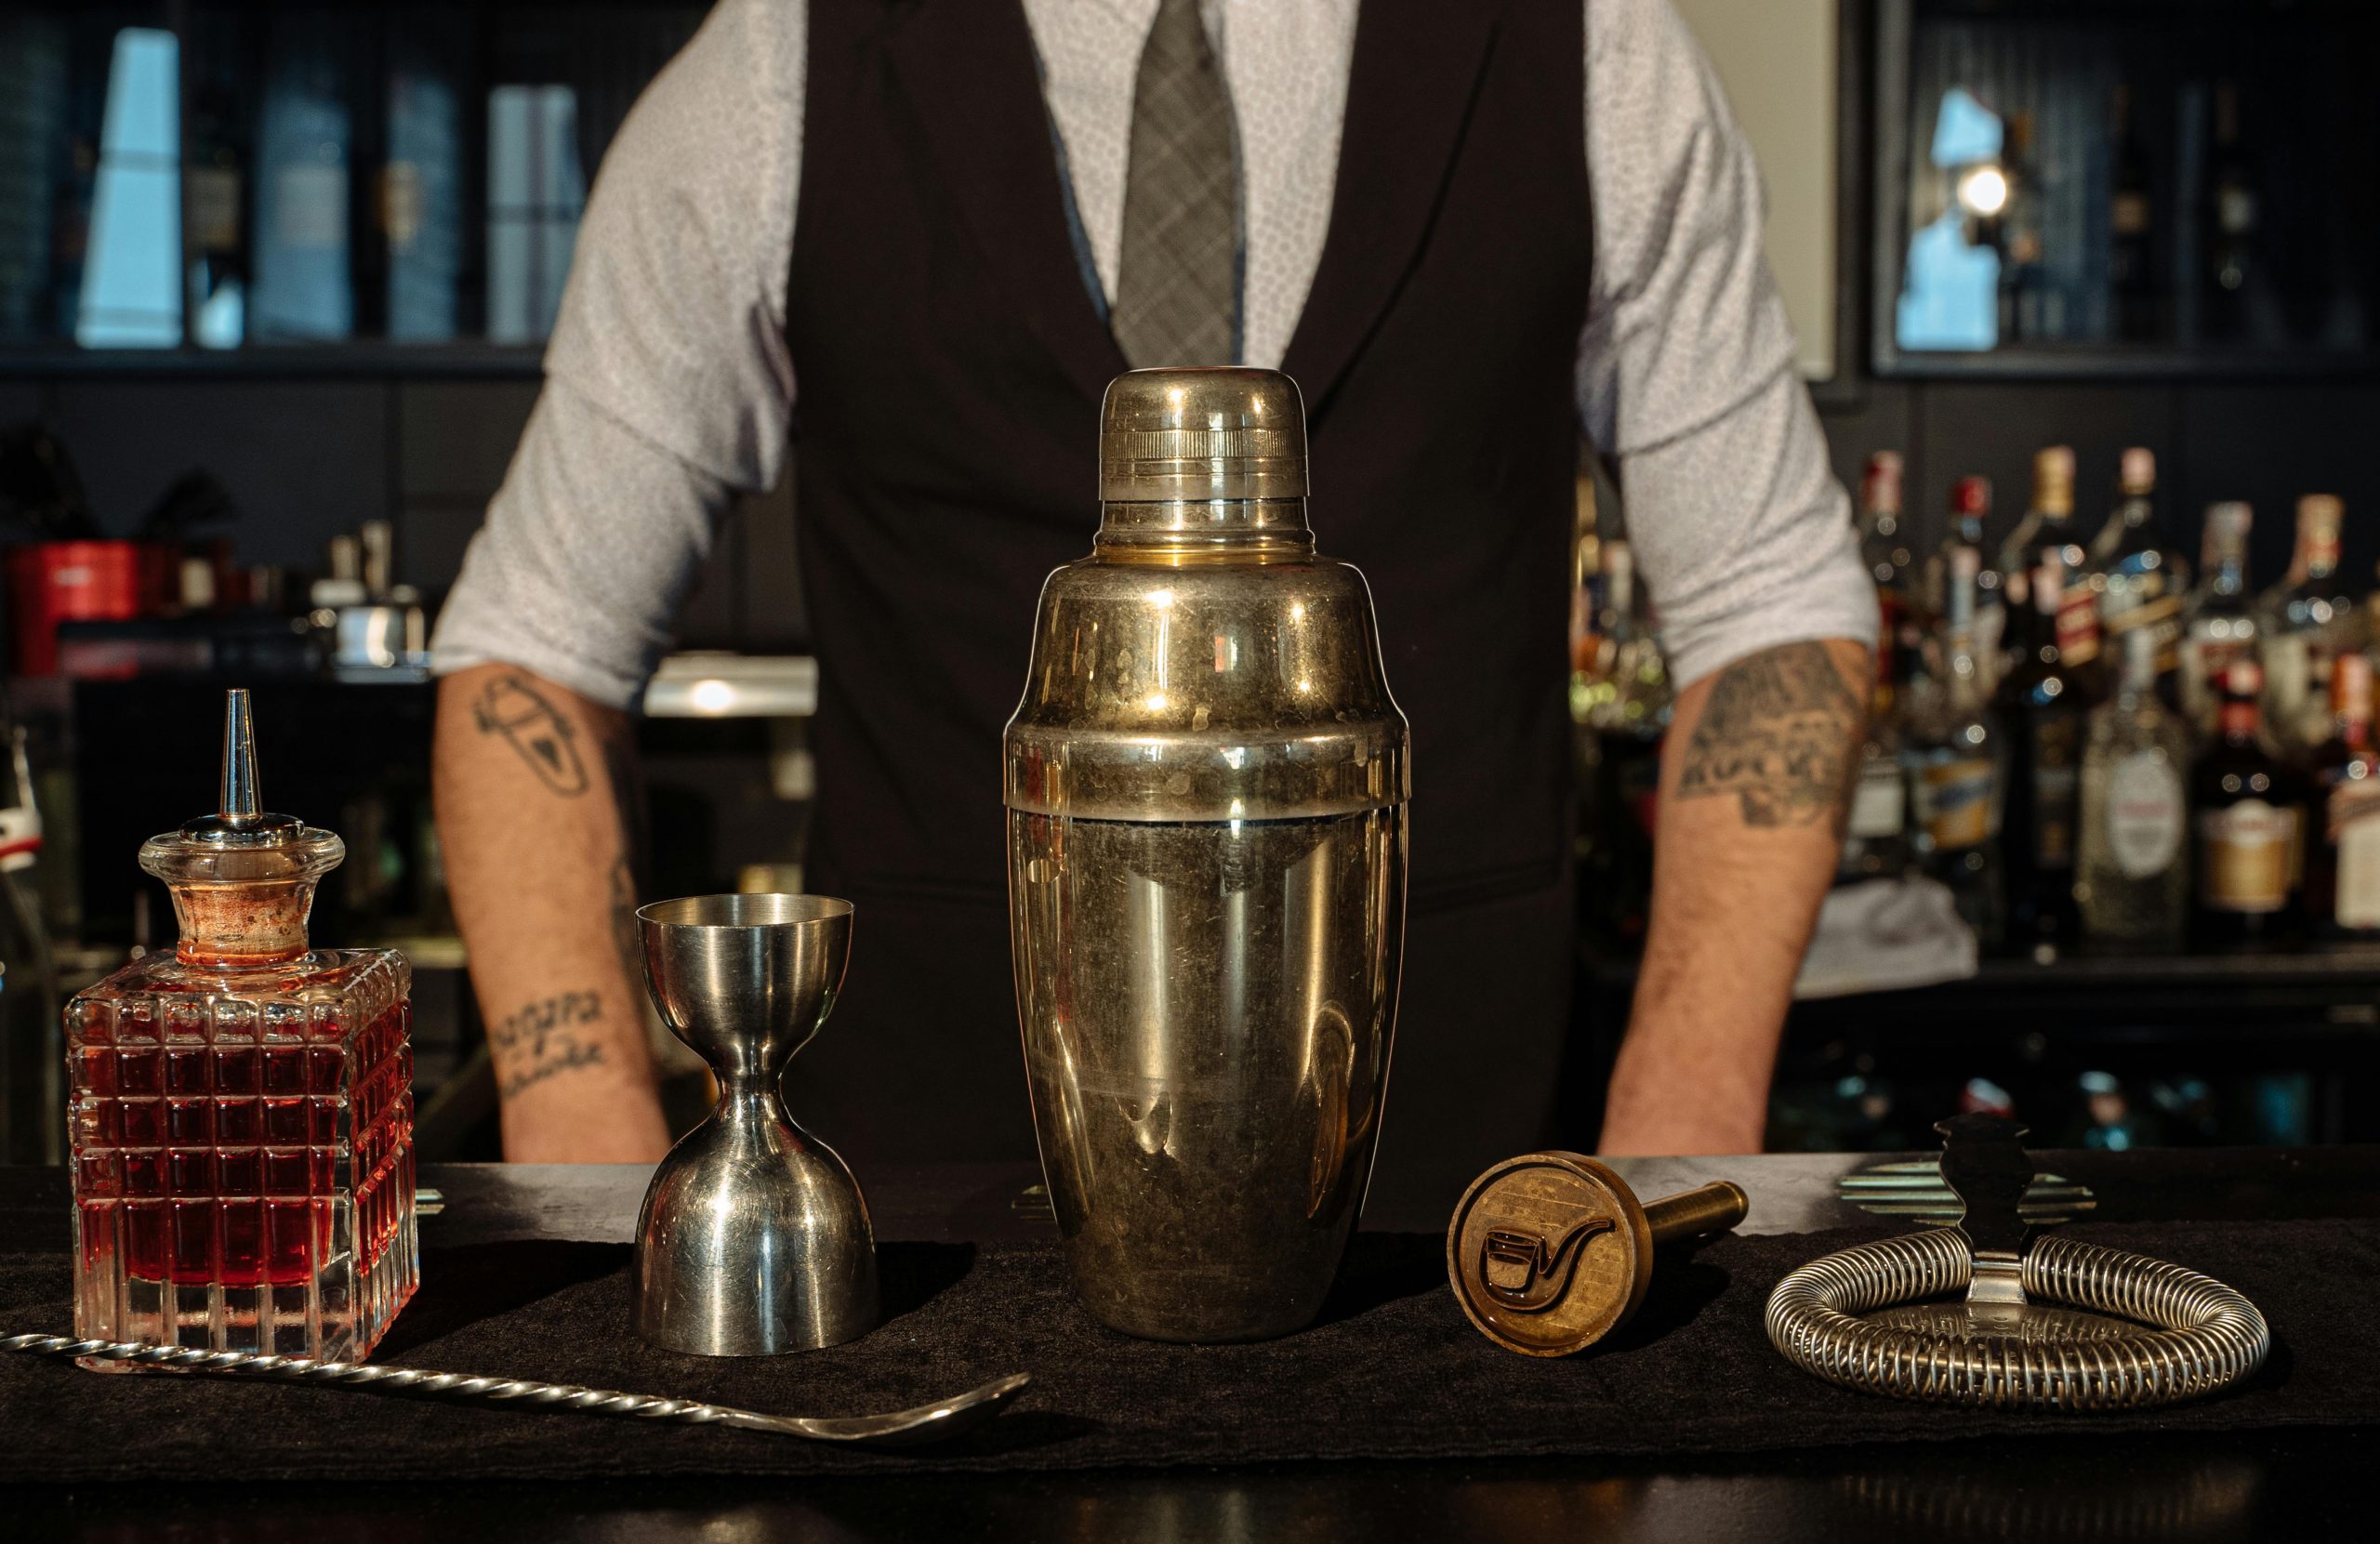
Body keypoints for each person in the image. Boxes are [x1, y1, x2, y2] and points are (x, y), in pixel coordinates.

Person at [430, 0, 1875, 1221]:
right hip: (921, 1225)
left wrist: (1675, 1136)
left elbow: (1774, 609)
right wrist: (588, 1168)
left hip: (1466, 1210)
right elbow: (535, 650)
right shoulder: (787, 59)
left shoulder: (1591, 48)